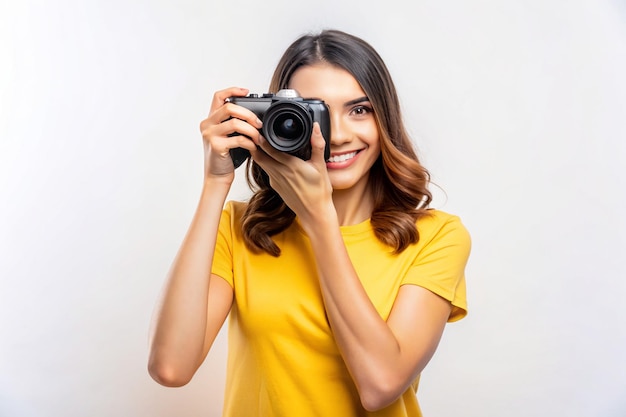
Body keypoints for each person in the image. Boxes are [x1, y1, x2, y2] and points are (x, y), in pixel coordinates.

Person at [148, 29, 471, 417]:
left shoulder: (436, 237)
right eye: (315, 112)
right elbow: (171, 368)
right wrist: (216, 182)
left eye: (359, 109)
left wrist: (319, 219)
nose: (334, 137)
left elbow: (380, 384)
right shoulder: (240, 230)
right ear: (275, 119)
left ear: (384, 118)